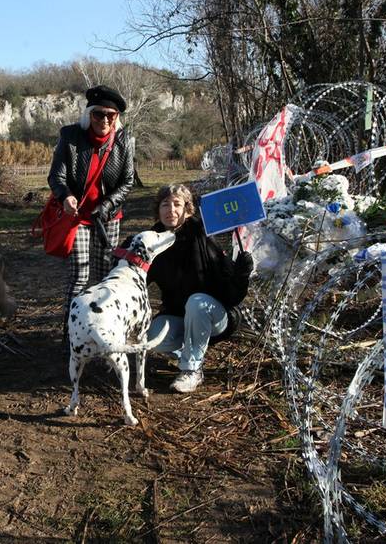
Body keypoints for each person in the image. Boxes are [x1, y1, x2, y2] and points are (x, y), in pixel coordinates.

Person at [144, 184, 253, 392]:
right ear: (158, 210)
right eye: (165, 205)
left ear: (188, 209)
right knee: (152, 337)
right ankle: (190, 354)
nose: (171, 210)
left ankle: (192, 370)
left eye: (177, 204)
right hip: (179, 316)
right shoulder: (152, 240)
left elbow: (232, 294)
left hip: (216, 315)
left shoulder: (202, 233)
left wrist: (241, 274)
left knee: (196, 302)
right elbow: (139, 278)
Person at [48, 85, 135, 332]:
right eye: (99, 114)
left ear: (117, 117)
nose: (105, 120)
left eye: (111, 115)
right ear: (89, 114)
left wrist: (106, 206)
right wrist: (65, 197)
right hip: (78, 218)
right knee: (79, 277)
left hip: (109, 217)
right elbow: (56, 177)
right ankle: (72, 332)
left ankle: (105, 330)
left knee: (107, 276)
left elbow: (127, 181)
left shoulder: (125, 140)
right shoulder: (71, 137)